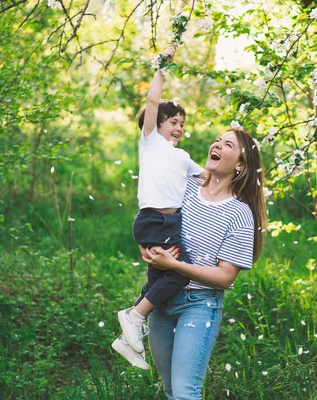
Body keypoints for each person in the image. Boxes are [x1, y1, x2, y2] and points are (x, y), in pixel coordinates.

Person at [141, 127, 267, 399]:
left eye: (229, 145)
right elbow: (154, 215)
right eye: (218, 140)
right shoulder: (185, 186)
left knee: (186, 393)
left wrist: (174, 266)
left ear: (241, 165)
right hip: (160, 299)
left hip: (199, 305)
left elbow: (225, 277)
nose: (218, 145)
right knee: (171, 390)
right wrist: (147, 247)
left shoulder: (240, 214)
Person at [111, 45, 205, 370]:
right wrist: (161, 66)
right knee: (179, 274)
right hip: (153, 221)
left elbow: (208, 180)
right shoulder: (151, 143)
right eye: (173, 121)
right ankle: (134, 316)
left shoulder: (182, 157)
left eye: (182, 123)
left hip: (171, 223)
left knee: (158, 276)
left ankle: (126, 339)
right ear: (158, 124)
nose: (178, 127)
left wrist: (241, 172)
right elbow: (152, 100)